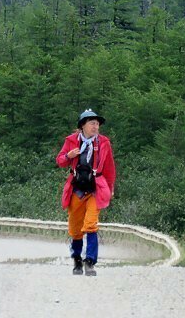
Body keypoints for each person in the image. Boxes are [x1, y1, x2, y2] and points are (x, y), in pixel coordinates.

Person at [56, 108, 116, 276]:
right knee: (75, 228)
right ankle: (77, 260)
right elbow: (60, 161)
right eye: (92, 123)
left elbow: (110, 167)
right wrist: (69, 155)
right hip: (77, 187)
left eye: (97, 124)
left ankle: (90, 261)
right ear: (83, 125)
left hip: (95, 187)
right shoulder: (71, 141)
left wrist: (110, 188)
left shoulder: (103, 142)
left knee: (90, 224)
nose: (96, 127)